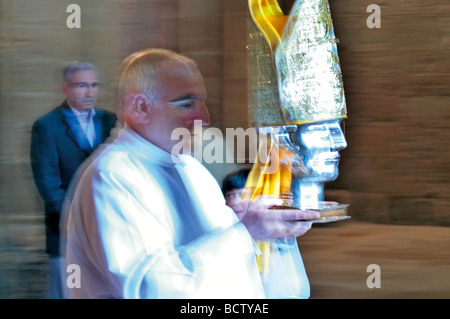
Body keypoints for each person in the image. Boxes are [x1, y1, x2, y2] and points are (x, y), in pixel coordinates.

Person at [61, 48, 319, 299]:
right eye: (187, 104)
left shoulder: (192, 169)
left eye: (202, 102)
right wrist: (246, 233)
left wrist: (273, 234)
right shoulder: (111, 176)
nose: (204, 117)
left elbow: (250, 279)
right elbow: (150, 290)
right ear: (140, 107)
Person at [30, 61, 117, 298]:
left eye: (94, 85)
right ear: (65, 88)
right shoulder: (46, 126)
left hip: (107, 229)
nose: (90, 92)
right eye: (81, 86)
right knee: (68, 292)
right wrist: (76, 218)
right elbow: (48, 185)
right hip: (66, 232)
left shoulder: (111, 121)